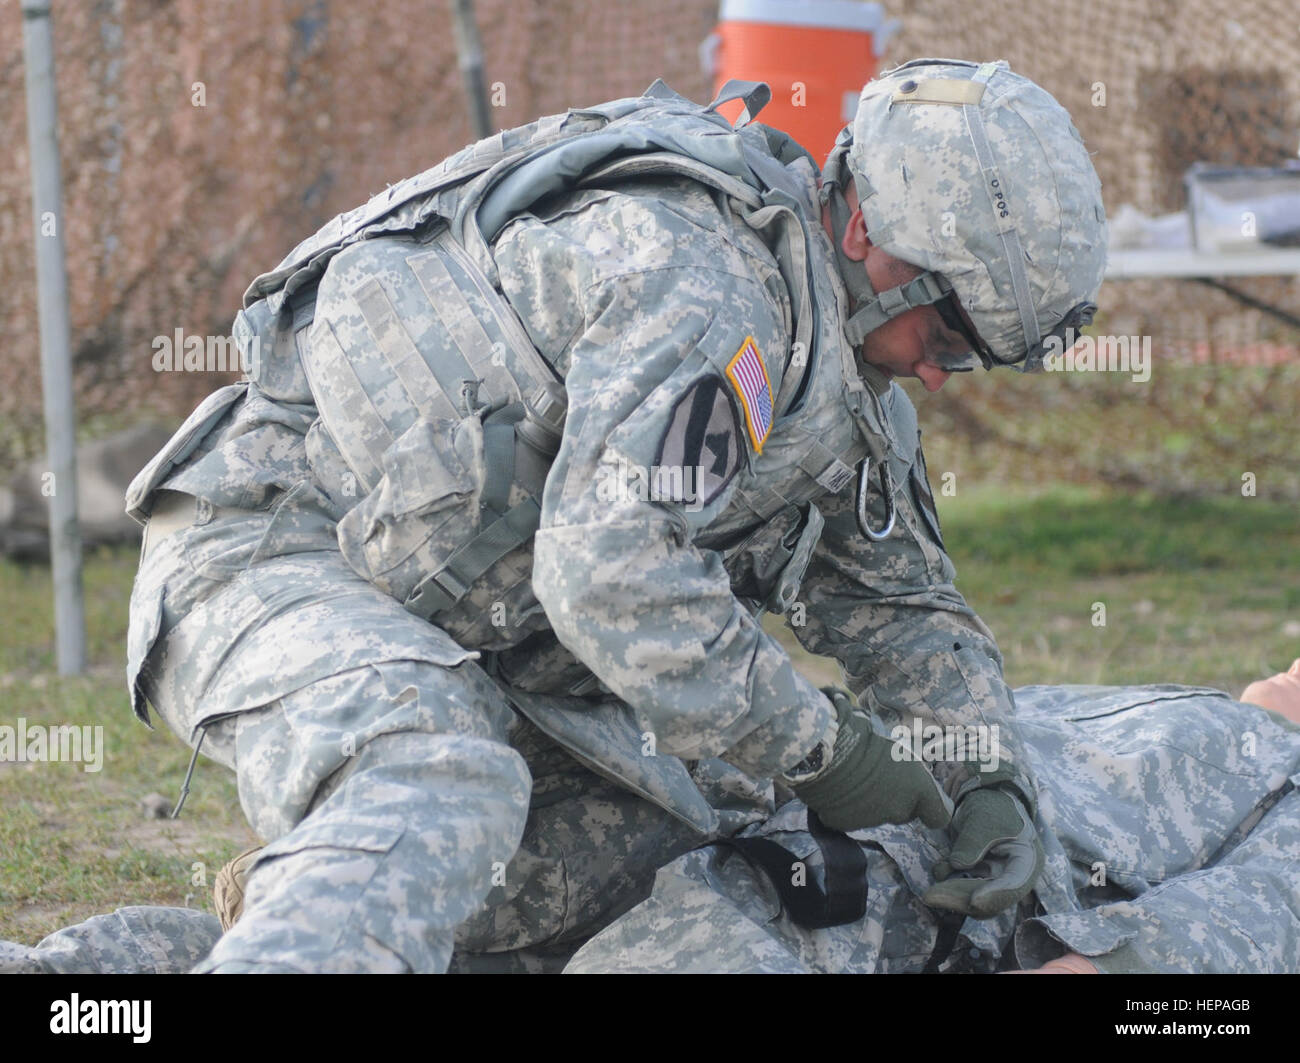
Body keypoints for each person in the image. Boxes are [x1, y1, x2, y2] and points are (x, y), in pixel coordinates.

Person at [107, 59, 1105, 972]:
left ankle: (265, 925)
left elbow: (902, 606)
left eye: (975, 356)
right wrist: (820, 747)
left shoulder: (842, 366)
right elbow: (613, 575)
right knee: (441, 779)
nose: (941, 371)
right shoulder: (707, 287)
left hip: (477, 640)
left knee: (679, 850)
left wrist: (986, 777)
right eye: (949, 332)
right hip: (272, 546)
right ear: (868, 234)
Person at [5, 666, 1296, 974]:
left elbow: (1145, 975)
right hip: (671, 818)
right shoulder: (1160, 704)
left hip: (803, 911)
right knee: (352, 928)